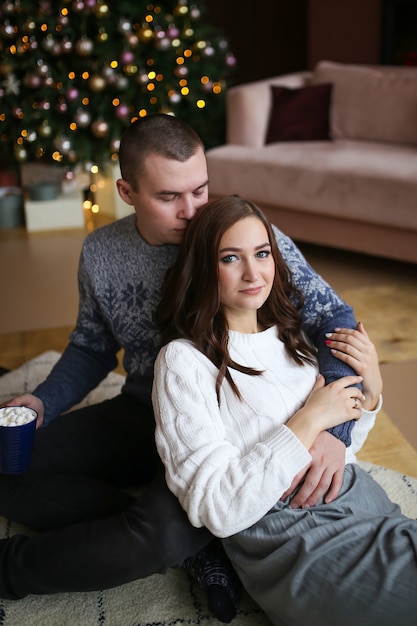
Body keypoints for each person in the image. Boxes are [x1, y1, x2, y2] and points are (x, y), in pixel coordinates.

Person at [1, 115, 360, 618]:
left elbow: (337, 321)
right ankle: (199, 542)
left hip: (229, 424)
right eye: (169, 197)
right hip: (140, 410)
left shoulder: (244, 238)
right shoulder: (101, 254)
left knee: (155, 536)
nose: (192, 211)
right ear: (126, 191)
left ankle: (12, 569)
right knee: (8, 464)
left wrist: (335, 429)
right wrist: (42, 400)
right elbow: (90, 346)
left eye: (200, 189)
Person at [152, 195, 416, 626]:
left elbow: (339, 456)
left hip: (369, 509)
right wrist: (308, 419)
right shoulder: (184, 362)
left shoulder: (293, 338)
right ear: (203, 268)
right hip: (298, 544)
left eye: (262, 253)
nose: (254, 273)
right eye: (231, 258)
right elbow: (215, 508)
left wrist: (370, 392)